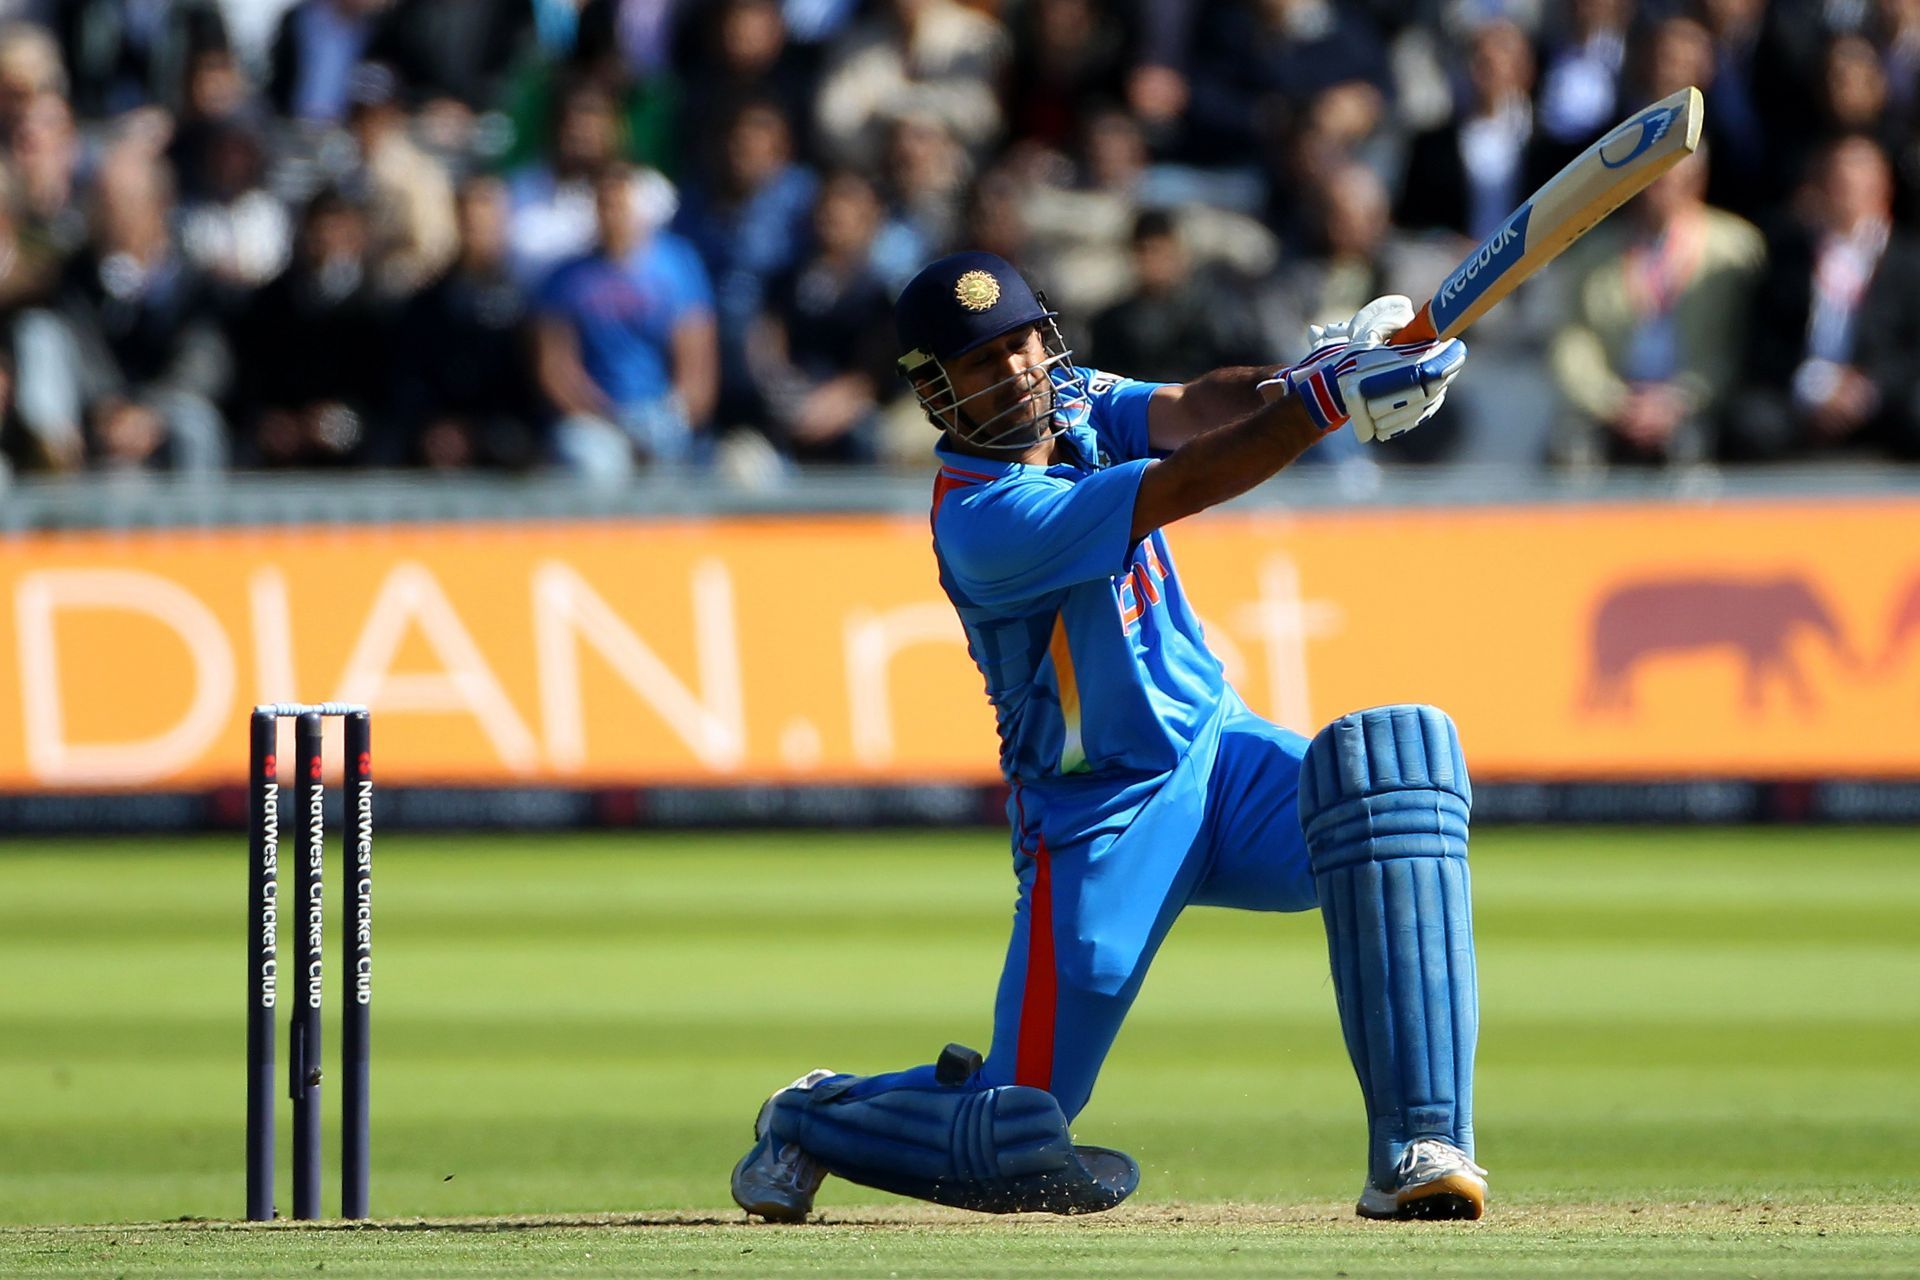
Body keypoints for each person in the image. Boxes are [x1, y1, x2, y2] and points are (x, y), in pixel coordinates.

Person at [730, 250, 1485, 1222]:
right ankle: (813, 1112)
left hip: (1221, 758)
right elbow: (1189, 479)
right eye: (979, 362)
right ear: (933, 392)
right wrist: (1328, 405)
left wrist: (1324, 365)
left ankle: (1421, 1147)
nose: (1015, 372)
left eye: (1021, 343)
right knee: (1017, 1131)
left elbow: (1193, 407)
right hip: (1097, 820)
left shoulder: (1071, 393)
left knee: (1394, 769)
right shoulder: (983, 519)